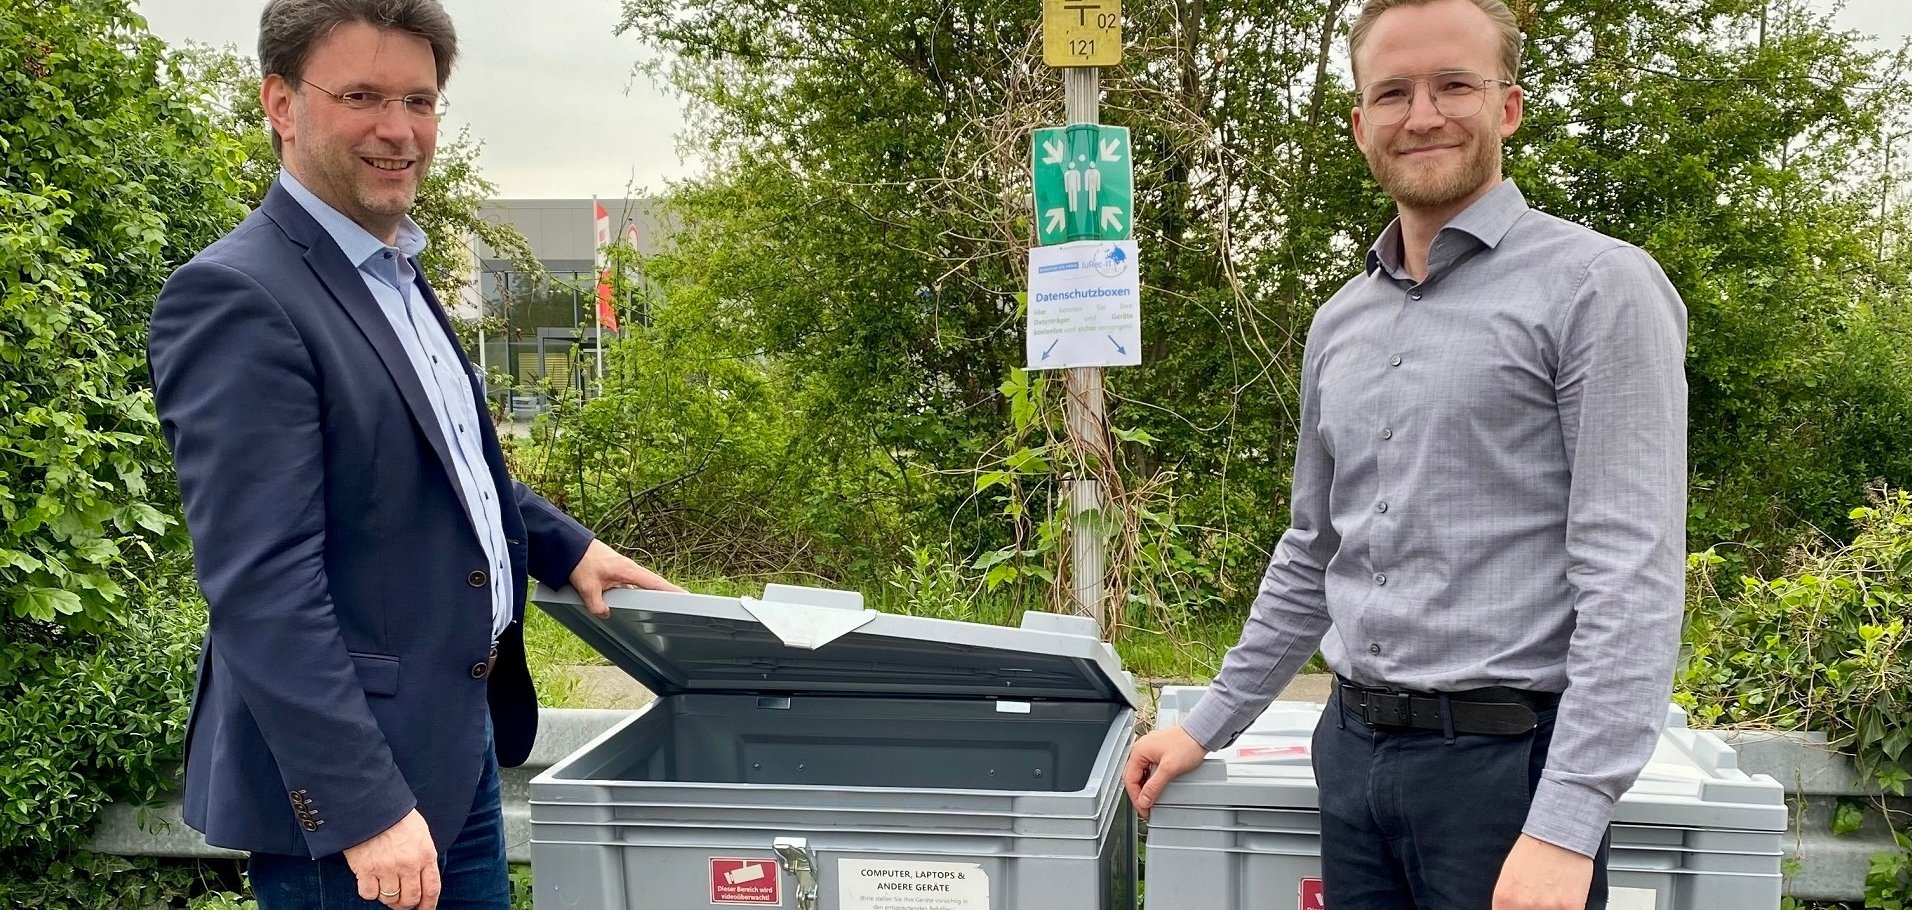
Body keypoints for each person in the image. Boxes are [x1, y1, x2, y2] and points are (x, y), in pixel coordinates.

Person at [1122, 1, 1688, 908]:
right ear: (1360, 124)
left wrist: (1566, 823)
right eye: (1392, 92)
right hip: (1350, 758)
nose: (1422, 114)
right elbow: (1315, 546)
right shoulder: (1341, 320)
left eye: (1453, 84)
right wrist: (1207, 724)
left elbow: (1632, 572)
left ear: (1507, 107)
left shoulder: (1598, 287)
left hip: (1505, 777)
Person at [146, 2, 681, 908]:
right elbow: (260, 587)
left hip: (454, 741)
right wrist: (362, 808)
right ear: (280, 101)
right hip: (361, 801)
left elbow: (441, 463)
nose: (399, 130)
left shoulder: (391, 269)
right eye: (361, 95)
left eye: (420, 101)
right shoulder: (238, 297)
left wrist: (563, 545)